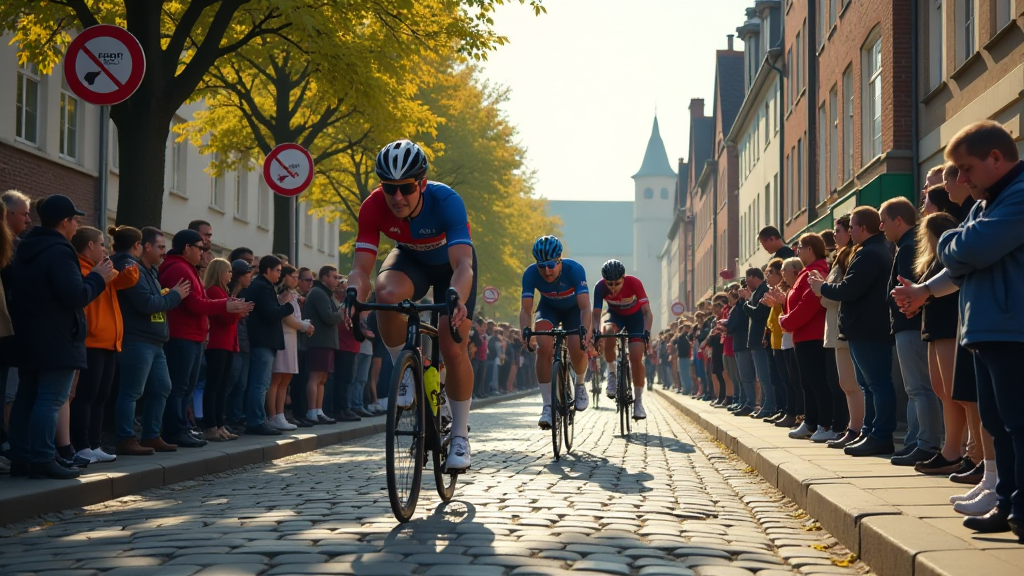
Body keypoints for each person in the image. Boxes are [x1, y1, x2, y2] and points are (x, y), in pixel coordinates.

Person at [343, 140, 476, 470]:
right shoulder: (373, 206)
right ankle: (405, 369)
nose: (397, 197)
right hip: (410, 260)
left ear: (422, 184)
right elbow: (361, 269)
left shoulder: (446, 201)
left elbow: (463, 266)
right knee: (385, 294)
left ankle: (459, 435)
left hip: (451, 268)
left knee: (453, 344)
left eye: (405, 188)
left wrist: (456, 296)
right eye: (390, 188)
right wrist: (351, 294)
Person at [934, 120, 1024, 539]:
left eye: (967, 168)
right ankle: (1007, 502)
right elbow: (967, 252)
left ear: (995, 158)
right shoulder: (986, 203)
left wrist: (949, 241)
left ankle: (1020, 507)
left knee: (1017, 423)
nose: (963, 179)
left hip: (1012, 328)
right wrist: (960, 243)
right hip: (988, 329)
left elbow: (971, 248)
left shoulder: (1019, 195)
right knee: (998, 423)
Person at [7, 195, 116, 479]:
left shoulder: (25, 248)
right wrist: (97, 278)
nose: (76, 225)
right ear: (65, 222)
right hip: (56, 337)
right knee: (51, 399)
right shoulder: (59, 251)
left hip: (28, 335)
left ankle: (22, 458)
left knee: (27, 397)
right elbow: (75, 295)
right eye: (75, 220)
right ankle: (43, 458)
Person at [810, 206, 897, 457]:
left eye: (851, 227)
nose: (849, 231)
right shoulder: (869, 250)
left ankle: (880, 435)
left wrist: (822, 288)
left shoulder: (870, 253)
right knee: (868, 385)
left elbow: (849, 289)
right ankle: (871, 432)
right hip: (863, 328)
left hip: (869, 329)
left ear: (861, 228)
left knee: (876, 384)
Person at [160, 230, 251, 448]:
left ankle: (182, 427)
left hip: (193, 336)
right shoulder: (179, 268)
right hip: (182, 335)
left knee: (187, 387)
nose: (202, 252)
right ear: (187, 248)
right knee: (181, 386)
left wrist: (232, 309)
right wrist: (226, 306)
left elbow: (199, 302)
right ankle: (175, 429)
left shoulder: (187, 268)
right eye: (200, 248)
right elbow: (195, 304)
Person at [112, 226, 187, 456]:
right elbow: (146, 304)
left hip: (155, 342)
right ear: (145, 246)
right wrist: (174, 295)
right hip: (137, 340)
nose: (164, 252)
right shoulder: (132, 268)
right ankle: (125, 438)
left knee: (162, 387)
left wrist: (165, 296)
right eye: (161, 247)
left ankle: (151, 435)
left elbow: (154, 301)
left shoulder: (150, 271)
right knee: (132, 391)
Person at [880, 197, 943, 466]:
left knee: (920, 387)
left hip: (910, 323)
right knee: (914, 387)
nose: (881, 226)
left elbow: (909, 286)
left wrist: (906, 306)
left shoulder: (908, 247)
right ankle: (916, 440)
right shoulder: (905, 245)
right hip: (908, 324)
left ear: (897, 221)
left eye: (884, 221)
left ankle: (926, 443)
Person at [70, 226, 140, 463]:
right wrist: (98, 277)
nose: (105, 249)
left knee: (101, 397)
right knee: (85, 397)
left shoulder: (103, 269)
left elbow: (127, 280)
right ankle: (80, 445)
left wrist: (129, 263)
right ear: (90, 246)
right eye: (101, 244)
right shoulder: (80, 268)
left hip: (110, 342)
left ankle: (94, 443)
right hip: (92, 341)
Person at [519, 235, 592, 428]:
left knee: (577, 345)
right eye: (541, 266)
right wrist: (525, 331)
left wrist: (586, 332)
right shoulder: (530, 273)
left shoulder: (574, 270)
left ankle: (580, 384)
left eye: (551, 265)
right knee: (543, 346)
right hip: (548, 309)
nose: (547, 270)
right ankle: (547, 406)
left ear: (560, 260)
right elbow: (526, 310)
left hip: (573, 311)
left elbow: (585, 308)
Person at [779, 234, 834, 442]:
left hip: (814, 335)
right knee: (807, 382)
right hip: (803, 335)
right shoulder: (807, 272)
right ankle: (810, 421)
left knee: (817, 381)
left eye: (800, 247)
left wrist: (786, 322)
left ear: (810, 250)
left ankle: (823, 423)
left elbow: (808, 305)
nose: (797, 251)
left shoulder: (816, 271)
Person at [820, 215, 865, 449]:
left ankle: (856, 428)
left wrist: (822, 288)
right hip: (835, 327)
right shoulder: (840, 257)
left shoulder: (851, 256)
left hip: (844, 326)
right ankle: (852, 427)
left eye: (838, 230)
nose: (834, 235)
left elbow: (838, 292)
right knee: (845, 383)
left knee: (852, 383)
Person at [592, 259, 653, 419]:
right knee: (608, 331)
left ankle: (638, 402)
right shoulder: (599, 287)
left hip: (636, 318)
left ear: (624, 278)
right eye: (609, 284)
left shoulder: (634, 283)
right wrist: (595, 332)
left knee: (635, 358)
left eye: (617, 283)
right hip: (615, 315)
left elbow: (647, 312)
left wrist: (646, 332)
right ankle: (612, 374)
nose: (613, 288)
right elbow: (597, 315)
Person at [246, 255, 296, 436]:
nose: (279, 275)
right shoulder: (261, 287)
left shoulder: (265, 286)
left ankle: (258, 419)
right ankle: (256, 421)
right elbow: (270, 313)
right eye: (277, 271)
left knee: (262, 383)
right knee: (260, 384)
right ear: (267, 270)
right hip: (262, 341)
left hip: (265, 341)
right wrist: (288, 307)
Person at [202, 258, 244, 441]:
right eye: (228, 271)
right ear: (219, 272)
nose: (231, 274)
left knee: (221, 386)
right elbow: (224, 318)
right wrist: (238, 312)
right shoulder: (213, 290)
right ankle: (211, 425)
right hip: (217, 343)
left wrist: (238, 311)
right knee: (214, 386)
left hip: (226, 343)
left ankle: (220, 424)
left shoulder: (223, 290)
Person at [269, 265, 313, 430]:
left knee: (285, 380)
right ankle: (273, 415)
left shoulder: (293, 294)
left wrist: (303, 325)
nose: (296, 279)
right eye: (293, 276)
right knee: (277, 378)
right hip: (284, 337)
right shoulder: (284, 294)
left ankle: (280, 415)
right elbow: (287, 318)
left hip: (292, 338)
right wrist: (303, 326)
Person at [303, 265, 343, 424]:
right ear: (324, 277)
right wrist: (341, 313)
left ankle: (319, 410)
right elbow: (327, 317)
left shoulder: (325, 294)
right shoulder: (319, 293)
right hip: (318, 341)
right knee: (315, 376)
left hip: (326, 342)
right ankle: (312, 411)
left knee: (323, 377)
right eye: (334, 277)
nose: (337, 280)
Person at [225, 260, 254, 431]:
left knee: (240, 383)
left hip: (243, 343)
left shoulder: (242, 293)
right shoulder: (229, 292)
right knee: (230, 381)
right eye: (248, 273)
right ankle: (223, 418)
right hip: (231, 342)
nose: (250, 277)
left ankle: (234, 416)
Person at [740, 268, 773, 417]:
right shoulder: (758, 291)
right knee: (762, 376)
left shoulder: (763, 290)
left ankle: (769, 406)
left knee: (765, 376)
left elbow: (758, 313)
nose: (746, 284)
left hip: (761, 339)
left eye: (747, 280)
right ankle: (766, 405)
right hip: (756, 340)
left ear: (754, 277)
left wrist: (747, 300)